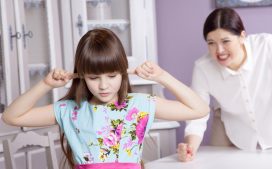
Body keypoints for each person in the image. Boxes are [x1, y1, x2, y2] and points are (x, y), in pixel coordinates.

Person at [1, 28, 209, 169]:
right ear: (81, 75)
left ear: (123, 73)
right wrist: (45, 85)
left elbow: (199, 109)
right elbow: (11, 117)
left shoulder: (139, 105)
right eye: (93, 77)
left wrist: (162, 76)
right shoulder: (70, 110)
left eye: (111, 76)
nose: (103, 85)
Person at [177, 7, 272, 162]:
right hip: (231, 131)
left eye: (225, 41)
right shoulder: (203, 68)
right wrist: (190, 147)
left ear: (242, 36)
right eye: (211, 43)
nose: (219, 50)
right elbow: (196, 114)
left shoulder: (267, 46)